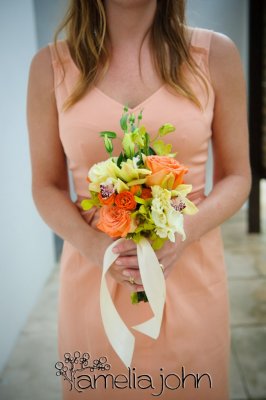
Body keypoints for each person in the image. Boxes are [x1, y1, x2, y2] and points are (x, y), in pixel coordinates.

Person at [26, 0, 251, 399]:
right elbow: (46, 186)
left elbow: (238, 177)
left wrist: (183, 234)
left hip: (188, 275)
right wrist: (98, 249)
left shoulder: (216, 56)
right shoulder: (49, 67)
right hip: (94, 278)